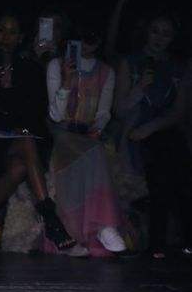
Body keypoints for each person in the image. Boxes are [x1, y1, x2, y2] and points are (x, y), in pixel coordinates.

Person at [0, 14, 79, 254]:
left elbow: (34, 113)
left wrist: (10, 90)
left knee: (20, 164)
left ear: (21, 37)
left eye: (12, 32)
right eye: (2, 30)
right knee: (22, 152)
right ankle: (50, 218)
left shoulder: (30, 69)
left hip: (17, 141)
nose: (6, 37)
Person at [44, 23, 127, 256]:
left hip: (88, 133)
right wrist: (66, 81)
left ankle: (103, 224)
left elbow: (103, 112)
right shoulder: (56, 65)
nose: (89, 42)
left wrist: (98, 128)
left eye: (94, 37)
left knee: (98, 149)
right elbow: (56, 114)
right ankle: (81, 229)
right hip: (61, 131)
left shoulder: (106, 72)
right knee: (86, 151)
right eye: (84, 36)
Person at [113, 13, 192, 258]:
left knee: (175, 156)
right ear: (147, 32)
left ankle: (181, 237)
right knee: (161, 160)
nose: (159, 38)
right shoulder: (131, 62)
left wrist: (153, 127)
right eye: (155, 31)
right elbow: (120, 110)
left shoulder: (180, 68)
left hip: (163, 128)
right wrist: (140, 88)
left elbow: (179, 112)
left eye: (166, 34)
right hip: (134, 128)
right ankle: (157, 241)